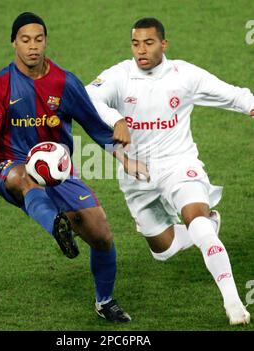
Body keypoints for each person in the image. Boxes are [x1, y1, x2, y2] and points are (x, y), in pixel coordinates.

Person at [0, 12, 149, 323]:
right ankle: (57, 224)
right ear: (14, 42)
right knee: (23, 179)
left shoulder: (65, 83)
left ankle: (105, 301)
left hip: (58, 171)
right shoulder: (0, 84)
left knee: (101, 234)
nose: (32, 47)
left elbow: (95, 126)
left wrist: (124, 158)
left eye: (38, 40)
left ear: (46, 42)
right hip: (8, 165)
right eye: (25, 40)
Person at [86, 17, 254, 325]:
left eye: (149, 43)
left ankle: (233, 302)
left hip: (179, 164)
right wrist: (116, 119)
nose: (141, 51)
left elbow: (231, 94)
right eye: (136, 44)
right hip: (137, 174)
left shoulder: (184, 75)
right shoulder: (119, 76)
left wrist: (250, 105)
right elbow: (88, 98)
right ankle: (205, 227)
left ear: (164, 44)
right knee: (161, 249)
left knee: (197, 221)